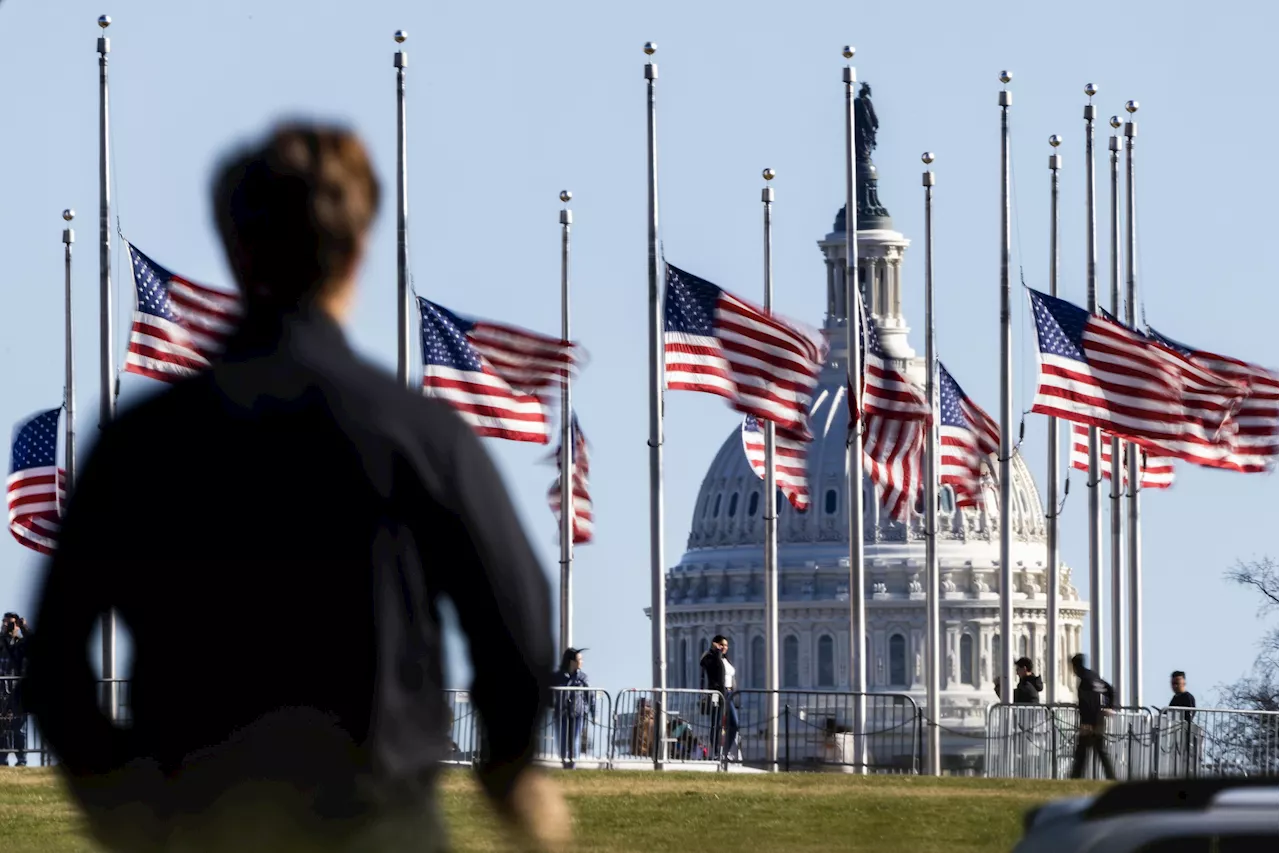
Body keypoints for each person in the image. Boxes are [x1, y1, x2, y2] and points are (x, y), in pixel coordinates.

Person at [21, 123, 567, 853]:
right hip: (378, 819)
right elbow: (519, 619)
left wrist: (121, 799)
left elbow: (55, 656)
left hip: (196, 818)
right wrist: (506, 766)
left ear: (234, 247)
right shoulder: (419, 435)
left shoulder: (144, 444)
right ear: (358, 249)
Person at [1069, 653, 1116, 781]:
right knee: (1099, 751)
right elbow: (1110, 690)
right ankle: (1110, 777)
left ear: (1075, 666)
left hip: (1090, 722)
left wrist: (1086, 722)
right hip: (1098, 719)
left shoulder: (1084, 681)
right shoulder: (1094, 676)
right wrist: (1109, 706)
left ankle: (1075, 777)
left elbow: (1086, 703)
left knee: (1082, 752)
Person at [551, 648, 594, 769]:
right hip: (562, 713)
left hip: (577, 712)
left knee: (575, 740)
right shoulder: (558, 677)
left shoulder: (582, 678)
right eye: (579, 659)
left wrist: (593, 712)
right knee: (563, 740)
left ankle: (573, 764)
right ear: (571, 661)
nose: (581, 662)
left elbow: (590, 696)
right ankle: (565, 763)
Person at [699, 636, 740, 762]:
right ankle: (716, 752)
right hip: (717, 693)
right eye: (722, 645)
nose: (724, 648)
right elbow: (707, 666)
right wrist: (716, 653)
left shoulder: (725, 659)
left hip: (728, 693)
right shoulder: (710, 656)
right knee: (716, 723)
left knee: (734, 723)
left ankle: (725, 751)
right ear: (715, 644)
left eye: (726, 645)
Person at [0, 612, 30, 766]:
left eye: (10, 623)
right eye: (4, 622)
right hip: (1, 691)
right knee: (1, 729)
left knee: (18, 729)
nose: (6, 626)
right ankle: (2, 761)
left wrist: (25, 628)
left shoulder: (21, 643)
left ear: (17, 625)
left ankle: (21, 761)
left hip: (16, 691)